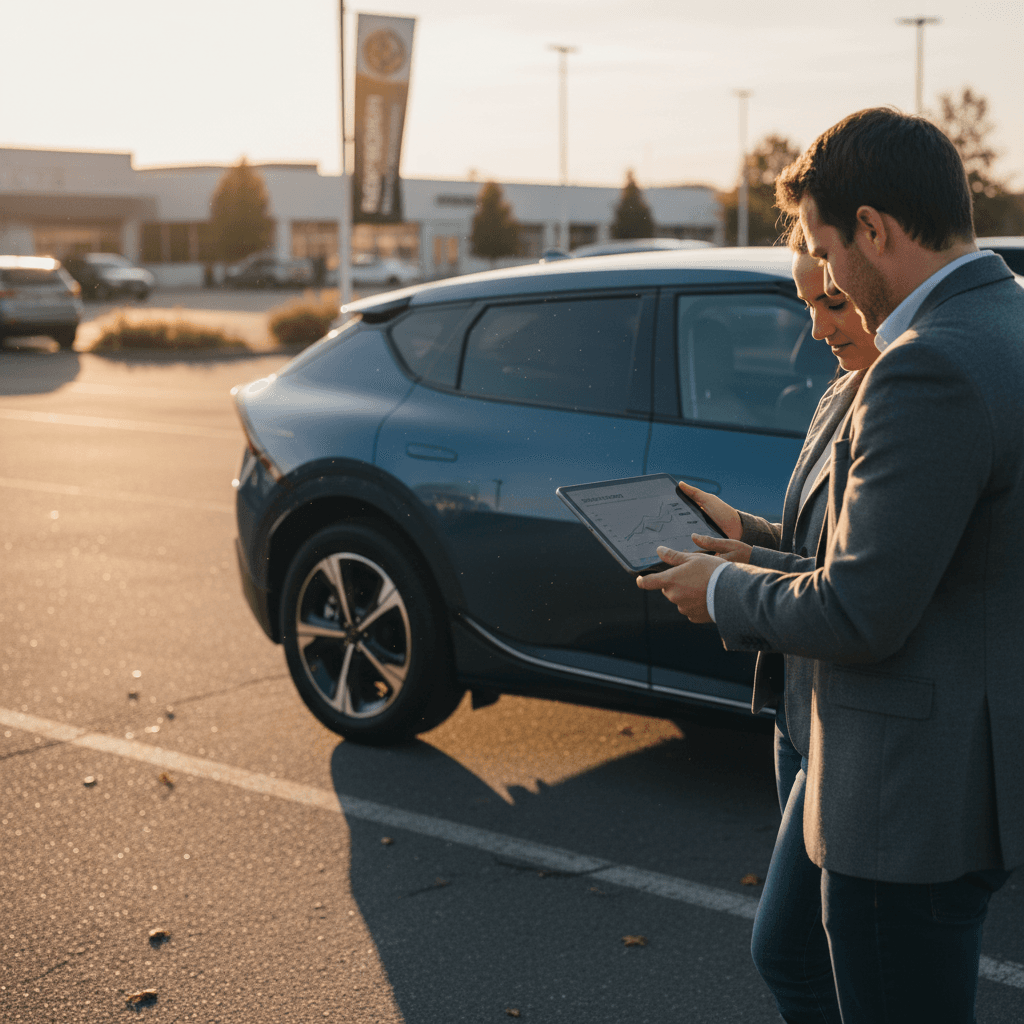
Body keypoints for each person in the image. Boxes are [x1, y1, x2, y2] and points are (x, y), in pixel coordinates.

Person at [637, 107, 1024, 1022]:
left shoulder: (924, 367)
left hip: (906, 797)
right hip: (953, 768)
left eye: (824, 251)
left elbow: (860, 610)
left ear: (874, 230)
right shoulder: (1005, 320)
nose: (825, 282)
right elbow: (924, 556)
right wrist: (756, 547)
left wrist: (722, 588)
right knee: (796, 955)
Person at [676, 226, 878, 1021]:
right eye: (807, 305)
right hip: (797, 705)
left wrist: (728, 585)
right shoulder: (840, 389)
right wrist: (746, 534)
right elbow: (817, 552)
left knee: (788, 951)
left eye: (835, 301)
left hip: (847, 716)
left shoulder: (907, 400)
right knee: (822, 948)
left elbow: (857, 591)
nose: (818, 327)